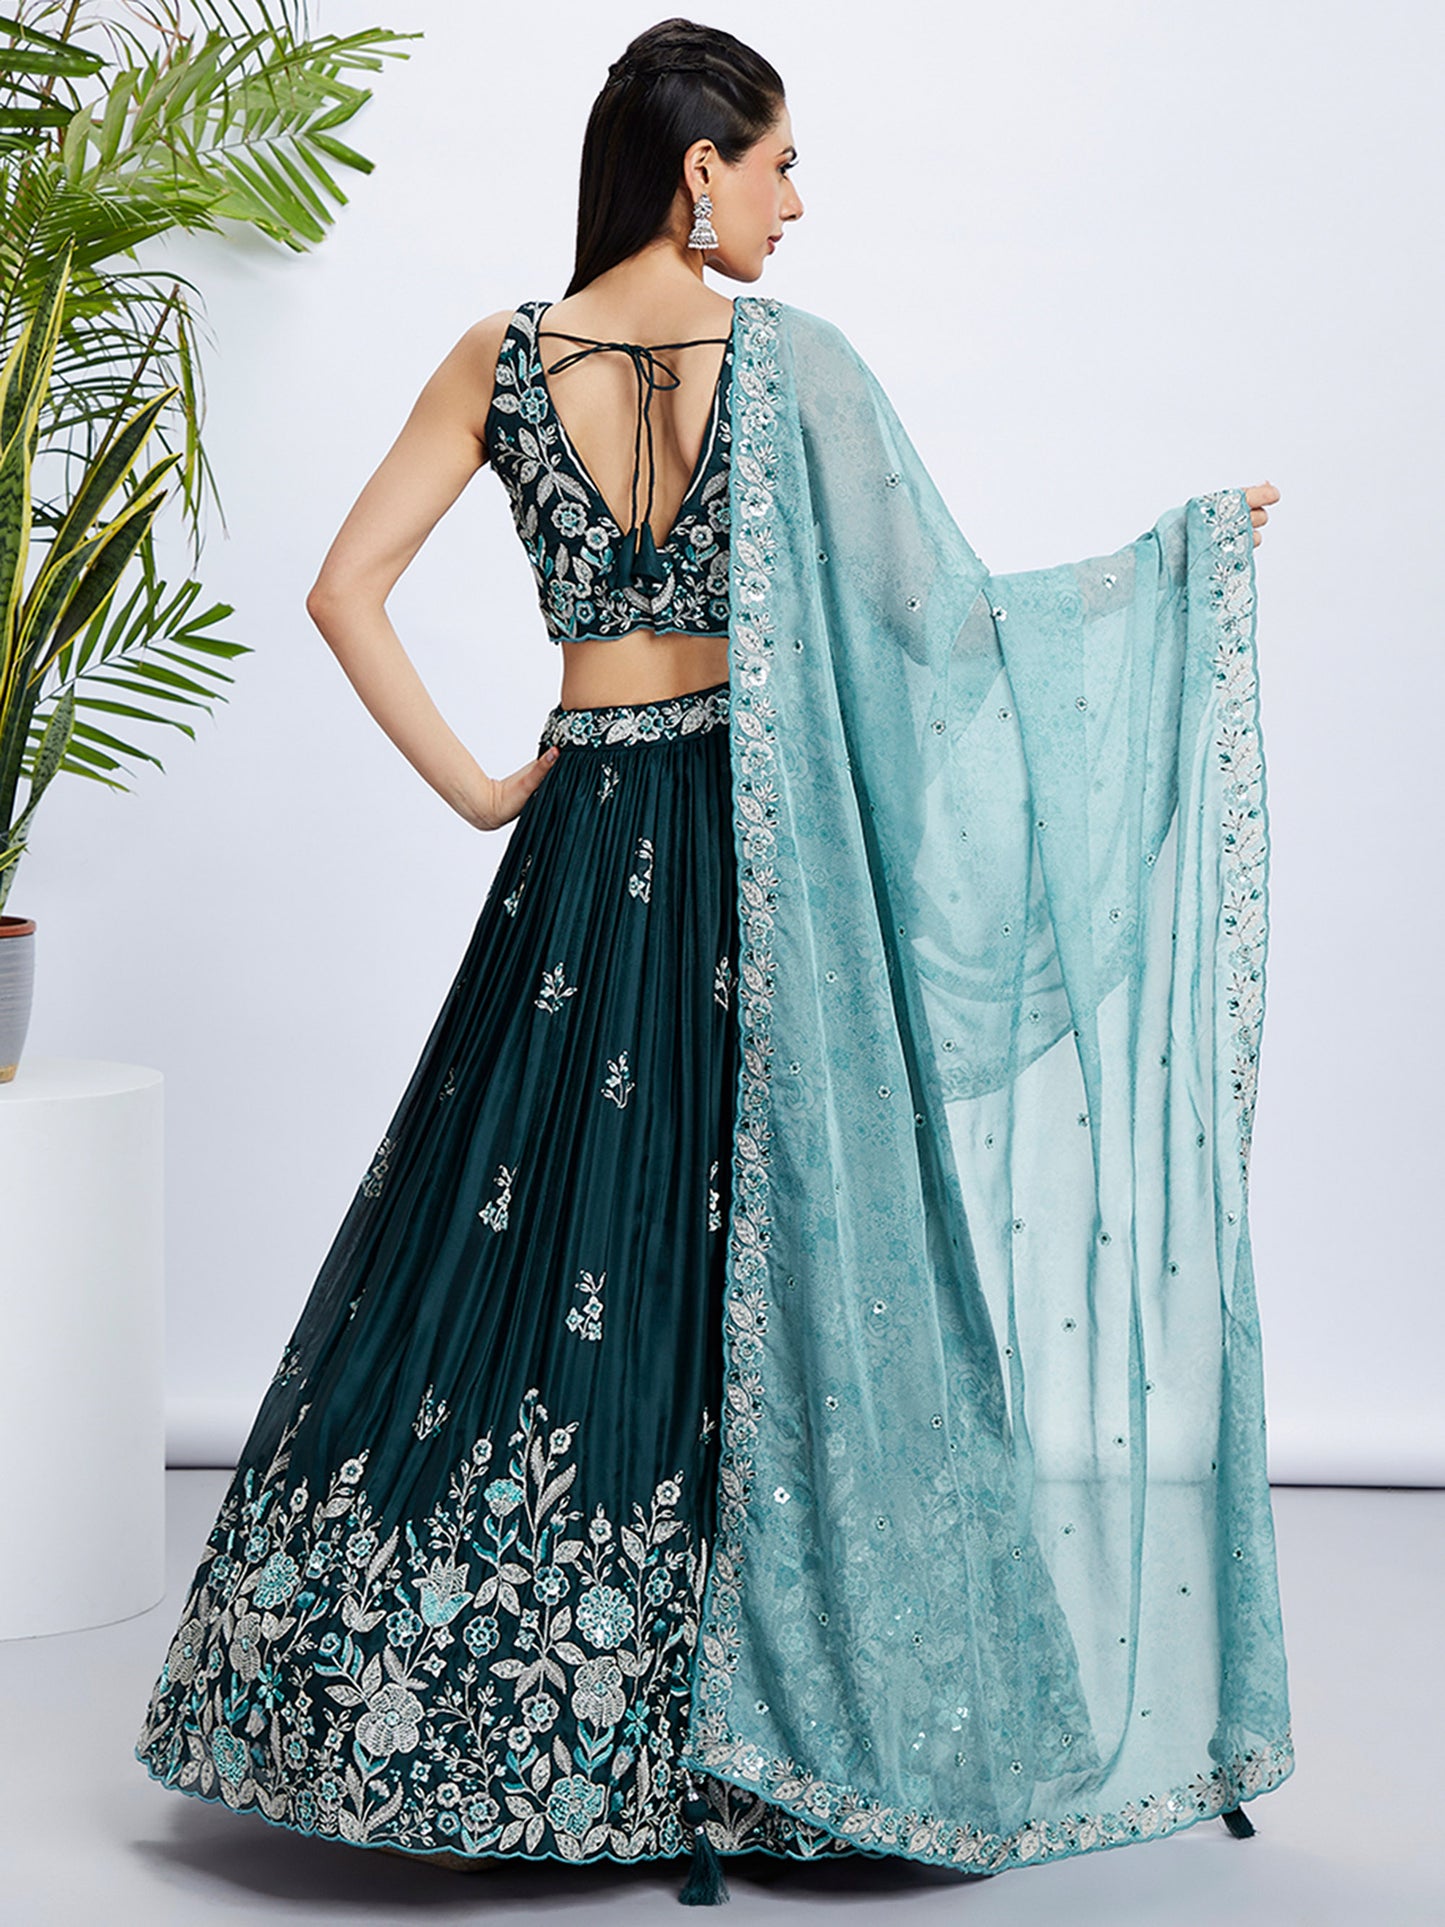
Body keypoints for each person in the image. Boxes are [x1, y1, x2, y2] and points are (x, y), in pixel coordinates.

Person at [135, 15, 1292, 1908]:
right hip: (761, 859)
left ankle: (500, 1716)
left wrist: (486, 790)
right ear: (700, 169)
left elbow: (344, 589)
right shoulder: (791, 366)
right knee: (786, 1247)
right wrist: (1173, 571)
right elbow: (945, 626)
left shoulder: (503, 356)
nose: (794, 203)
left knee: (535, 1241)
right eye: (779, 164)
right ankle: (788, 1718)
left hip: (586, 839)